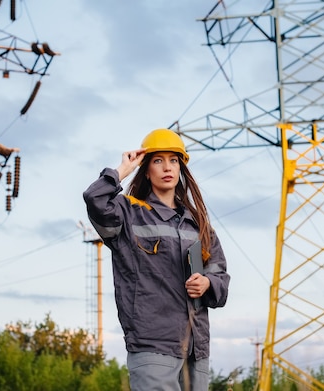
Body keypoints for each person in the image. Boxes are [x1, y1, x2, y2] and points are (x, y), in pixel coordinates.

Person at [83, 128, 230, 391]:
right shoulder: (127, 214)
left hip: (196, 349)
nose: (167, 167)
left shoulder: (198, 225)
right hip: (151, 344)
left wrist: (208, 284)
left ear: (181, 168)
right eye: (158, 160)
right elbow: (95, 199)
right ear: (146, 169)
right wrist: (122, 169)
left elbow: (220, 278)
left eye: (173, 160)